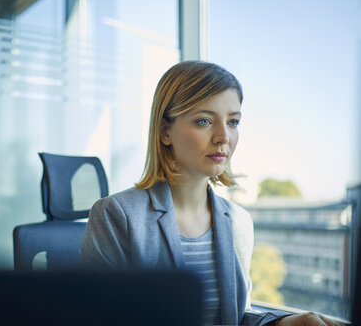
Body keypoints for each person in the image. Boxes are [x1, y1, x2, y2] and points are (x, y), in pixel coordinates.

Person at [80, 61, 338, 326]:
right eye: (204, 121)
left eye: (233, 122)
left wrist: (282, 324)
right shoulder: (116, 215)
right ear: (165, 131)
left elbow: (232, 318)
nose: (223, 137)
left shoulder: (239, 221)